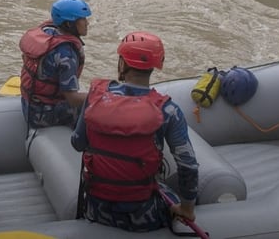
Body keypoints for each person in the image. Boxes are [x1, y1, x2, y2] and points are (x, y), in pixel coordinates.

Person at [71, 31, 199, 232]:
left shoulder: (94, 98)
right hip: (143, 214)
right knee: (172, 194)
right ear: (157, 66)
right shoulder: (168, 110)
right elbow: (188, 166)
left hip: (96, 209)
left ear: (122, 64)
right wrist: (187, 209)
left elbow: (77, 143)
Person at [19, 0, 91, 129]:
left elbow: (24, 58)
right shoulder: (66, 54)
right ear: (69, 24)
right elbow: (72, 99)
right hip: (43, 115)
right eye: (83, 19)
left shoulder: (47, 33)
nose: (87, 23)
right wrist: (101, 97)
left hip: (28, 104)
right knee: (94, 113)